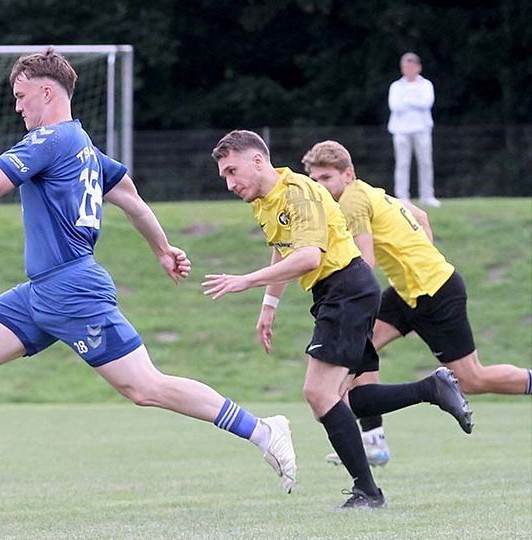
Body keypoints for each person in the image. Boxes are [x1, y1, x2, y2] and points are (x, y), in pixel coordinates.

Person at [0, 49, 297, 509]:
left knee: (145, 387)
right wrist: (162, 249)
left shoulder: (49, 141)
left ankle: (263, 430)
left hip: (73, 289)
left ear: (46, 91)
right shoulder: (86, 149)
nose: (17, 106)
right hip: (41, 289)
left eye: (21, 96)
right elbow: (135, 202)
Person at [205, 130, 472, 509]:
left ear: (258, 161)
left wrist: (245, 280)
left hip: (346, 287)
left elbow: (310, 256)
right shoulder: (265, 200)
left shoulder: (298, 192)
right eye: (224, 176)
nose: (230, 183)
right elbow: (284, 252)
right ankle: (431, 389)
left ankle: (368, 491)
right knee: (347, 399)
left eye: (233, 171)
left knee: (318, 394)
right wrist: (269, 306)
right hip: (337, 291)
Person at [301, 140, 532, 467]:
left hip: (437, 292)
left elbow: (365, 264)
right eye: (313, 180)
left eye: (325, 178)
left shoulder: (352, 202)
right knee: (358, 350)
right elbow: (421, 216)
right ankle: (374, 442)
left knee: (472, 380)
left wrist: (421, 267)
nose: (318, 186)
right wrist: (418, 259)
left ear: (347, 174)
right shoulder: (370, 191)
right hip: (408, 291)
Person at [388, 52, 440, 208]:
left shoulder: (426, 85)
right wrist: (414, 101)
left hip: (422, 129)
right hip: (401, 130)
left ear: (418, 67)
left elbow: (426, 103)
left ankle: (427, 195)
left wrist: (408, 101)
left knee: (425, 162)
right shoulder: (396, 86)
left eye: (411, 66)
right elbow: (395, 106)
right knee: (402, 163)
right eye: (405, 66)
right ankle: (402, 197)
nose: (408, 69)